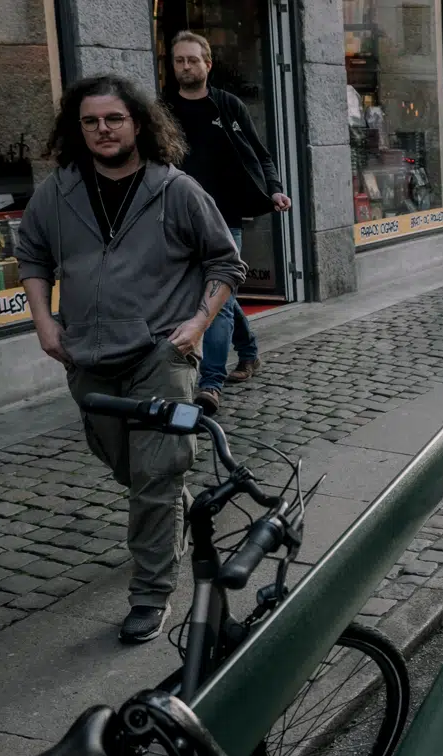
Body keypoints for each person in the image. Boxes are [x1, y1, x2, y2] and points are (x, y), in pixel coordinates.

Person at [15, 75, 246, 645]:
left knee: (154, 475)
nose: (102, 130)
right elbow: (32, 256)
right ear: (79, 128)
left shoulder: (177, 189)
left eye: (113, 119)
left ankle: (150, 595)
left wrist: (195, 326)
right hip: (88, 355)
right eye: (91, 121)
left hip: (159, 357)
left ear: (138, 123)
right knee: (127, 466)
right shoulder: (59, 191)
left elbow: (227, 264)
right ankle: (172, 512)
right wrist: (45, 324)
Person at [164, 31, 288, 416]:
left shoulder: (228, 106)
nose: (186, 67)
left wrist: (275, 189)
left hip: (225, 217)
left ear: (208, 64)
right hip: (179, 220)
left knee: (216, 296)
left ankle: (211, 383)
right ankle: (249, 352)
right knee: (222, 299)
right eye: (179, 60)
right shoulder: (162, 110)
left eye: (192, 60)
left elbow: (260, 153)